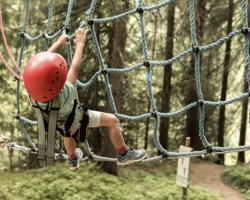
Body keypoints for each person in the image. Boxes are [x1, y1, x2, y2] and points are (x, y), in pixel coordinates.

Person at [23, 28, 147, 171]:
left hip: (54, 121)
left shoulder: (32, 91)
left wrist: (57, 43)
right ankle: (124, 154)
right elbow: (74, 69)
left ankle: (72, 159)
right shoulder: (64, 93)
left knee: (67, 132)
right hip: (75, 117)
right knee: (112, 120)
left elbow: (39, 66)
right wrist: (80, 44)